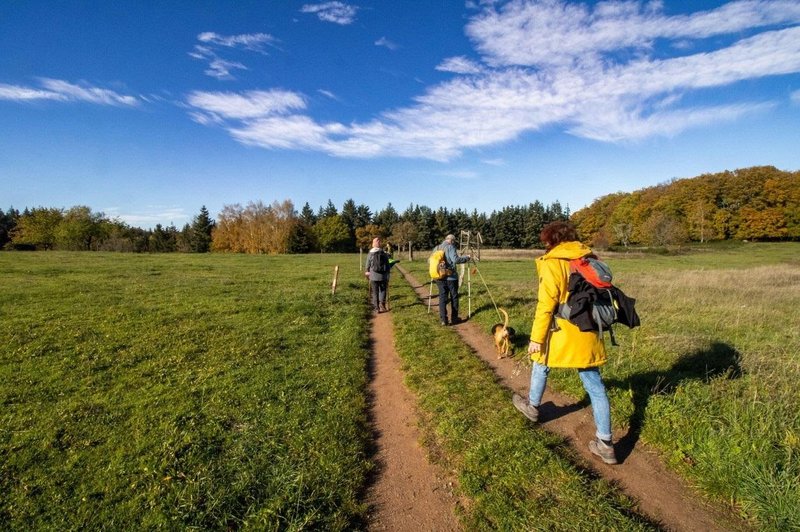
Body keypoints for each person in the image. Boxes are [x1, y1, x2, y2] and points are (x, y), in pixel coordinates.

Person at [512, 221, 618, 465]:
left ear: (551, 240)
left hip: (562, 329)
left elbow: (546, 304)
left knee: (541, 362)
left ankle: (532, 406)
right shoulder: (588, 258)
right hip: (590, 328)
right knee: (594, 382)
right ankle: (606, 444)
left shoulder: (553, 262)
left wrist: (536, 338)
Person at [434, 234, 470, 326]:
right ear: (452, 241)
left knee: (442, 298)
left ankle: (443, 320)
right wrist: (467, 258)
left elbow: (429, 261)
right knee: (454, 297)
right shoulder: (451, 247)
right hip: (451, 277)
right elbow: (456, 260)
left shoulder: (437, 248)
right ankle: (454, 319)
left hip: (439, 276)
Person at [365, 237, 389, 313]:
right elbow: (387, 264)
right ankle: (382, 304)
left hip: (373, 276)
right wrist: (388, 273)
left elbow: (367, 265)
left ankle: (376, 308)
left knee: (375, 292)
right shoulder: (384, 253)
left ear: (373, 244)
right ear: (379, 244)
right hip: (383, 276)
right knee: (383, 290)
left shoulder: (370, 253)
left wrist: (367, 272)